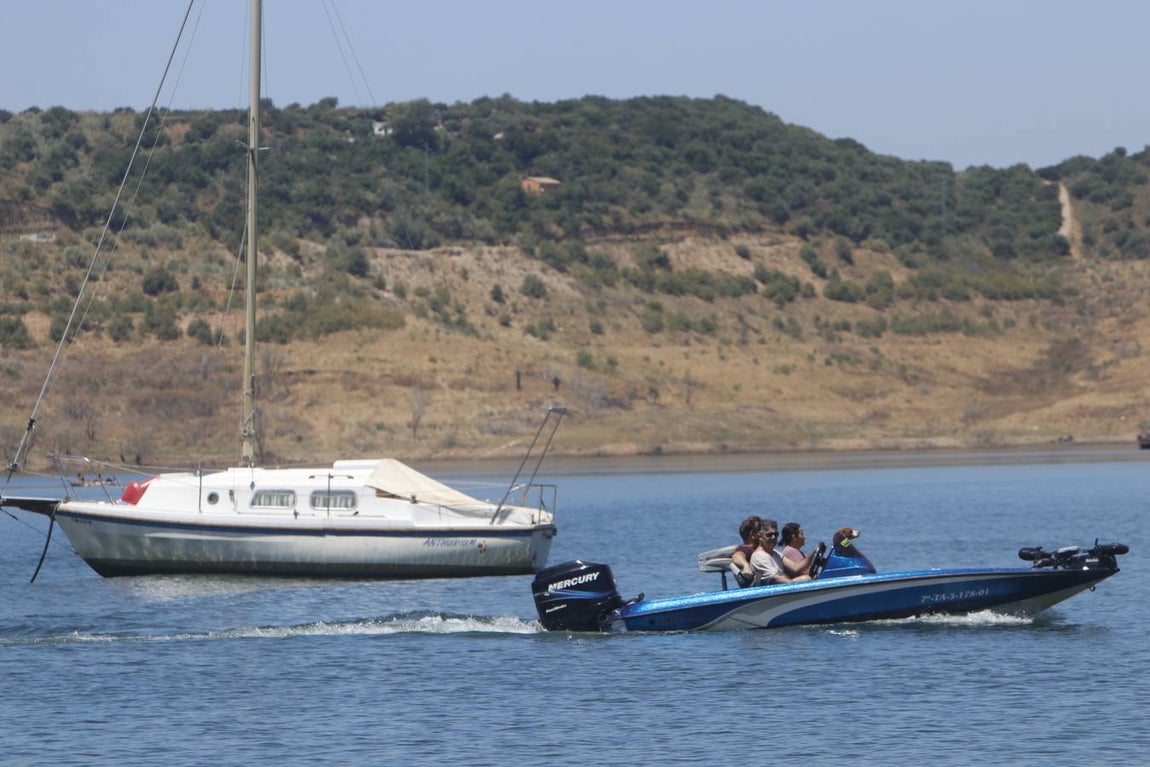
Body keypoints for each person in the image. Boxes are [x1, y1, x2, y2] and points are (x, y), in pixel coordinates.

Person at [751, 519, 814, 584]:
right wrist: (795, 584)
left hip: (783, 588)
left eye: (776, 534)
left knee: (807, 578)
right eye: (769, 535)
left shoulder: (775, 553)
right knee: (806, 579)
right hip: (774, 591)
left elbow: (795, 568)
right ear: (759, 537)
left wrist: (813, 554)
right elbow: (776, 578)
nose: (773, 537)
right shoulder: (759, 556)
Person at [730, 515, 762, 585]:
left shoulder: (763, 549)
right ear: (753, 534)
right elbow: (737, 555)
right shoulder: (747, 549)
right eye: (761, 530)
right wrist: (746, 566)